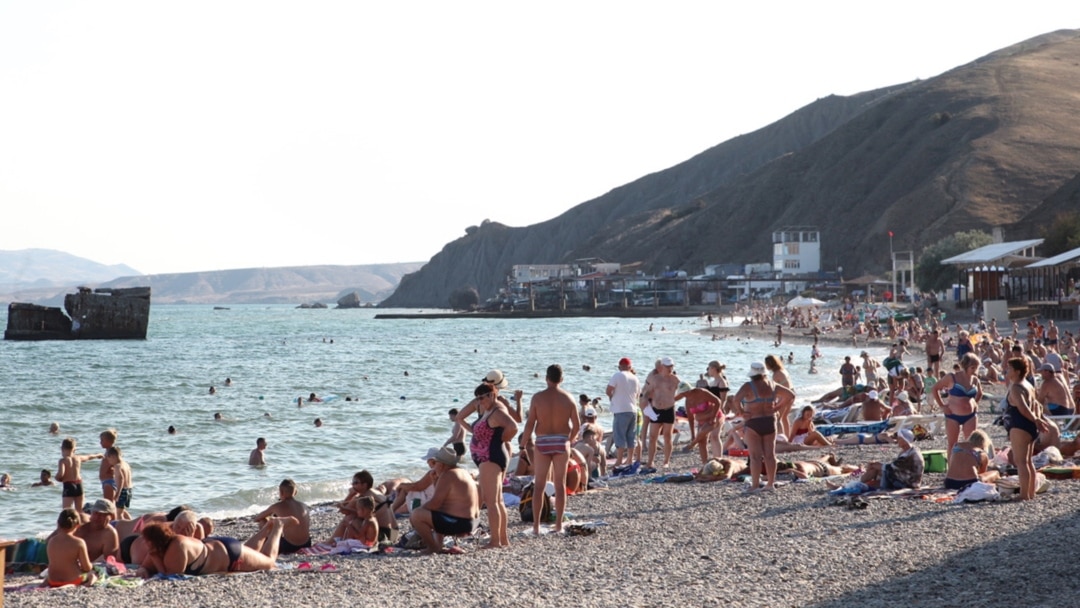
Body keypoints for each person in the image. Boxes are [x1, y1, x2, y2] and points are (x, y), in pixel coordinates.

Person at [457, 383, 517, 548]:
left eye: (482, 398)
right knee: (498, 500)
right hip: (488, 457)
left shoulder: (498, 411)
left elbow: (513, 427)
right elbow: (461, 418)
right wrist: (475, 432)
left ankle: (495, 541)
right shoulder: (489, 410)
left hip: (491, 457)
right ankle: (503, 539)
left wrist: (502, 439)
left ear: (492, 394)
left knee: (492, 502)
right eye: (477, 398)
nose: (479, 402)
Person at [522, 364, 579, 534]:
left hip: (542, 441)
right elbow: (576, 425)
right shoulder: (568, 398)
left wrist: (523, 443)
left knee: (539, 485)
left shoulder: (537, 398)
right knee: (560, 484)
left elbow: (530, 423)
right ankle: (559, 525)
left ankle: (536, 527)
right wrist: (570, 440)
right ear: (561, 379)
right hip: (561, 441)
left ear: (546, 378)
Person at [137, 517, 289, 576]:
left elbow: (171, 576)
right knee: (253, 553)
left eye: (147, 540)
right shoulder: (159, 548)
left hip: (229, 555)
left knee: (269, 562)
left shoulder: (177, 546)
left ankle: (278, 527)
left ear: (155, 541)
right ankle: (266, 529)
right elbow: (145, 568)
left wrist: (155, 557)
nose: (144, 544)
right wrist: (143, 570)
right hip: (214, 548)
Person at [730, 361, 795, 492]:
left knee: (755, 457)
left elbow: (736, 399)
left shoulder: (748, 386)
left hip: (754, 421)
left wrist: (742, 413)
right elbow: (790, 395)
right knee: (770, 455)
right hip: (770, 421)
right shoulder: (772, 385)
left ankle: (754, 485)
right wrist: (777, 407)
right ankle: (770, 484)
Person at [409, 446, 480, 555]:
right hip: (472, 522)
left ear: (441, 465)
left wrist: (415, 515)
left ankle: (432, 548)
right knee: (438, 512)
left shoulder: (448, 475)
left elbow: (434, 504)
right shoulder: (462, 472)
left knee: (417, 515)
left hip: (460, 523)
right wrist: (434, 481)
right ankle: (438, 545)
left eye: (435, 463)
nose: (434, 467)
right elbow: (443, 500)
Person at [1002, 358, 1048, 500]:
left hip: (1020, 424)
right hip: (1029, 426)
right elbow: (1036, 406)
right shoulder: (1028, 385)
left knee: (1020, 461)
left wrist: (1036, 419)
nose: (1006, 370)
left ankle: (1024, 495)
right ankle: (1030, 493)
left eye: (1009, 368)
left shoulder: (1016, 387)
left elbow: (1023, 408)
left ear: (1017, 371)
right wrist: (1037, 419)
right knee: (1028, 461)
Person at [930, 353, 983, 452]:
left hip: (970, 416)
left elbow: (980, 393)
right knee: (952, 444)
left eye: (977, 367)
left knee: (971, 443)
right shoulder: (952, 377)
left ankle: (968, 465)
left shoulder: (975, 380)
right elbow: (935, 389)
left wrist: (975, 403)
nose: (975, 370)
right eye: (973, 367)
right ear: (965, 366)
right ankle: (951, 467)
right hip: (952, 415)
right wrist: (942, 406)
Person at [331, 470, 397, 543]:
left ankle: (331, 541)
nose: (353, 485)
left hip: (384, 536)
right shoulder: (375, 492)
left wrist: (351, 494)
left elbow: (344, 511)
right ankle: (342, 541)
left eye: (355, 483)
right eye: (352, 482)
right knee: (358, 515)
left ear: (364, 485)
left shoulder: (364, 497)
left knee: (350, 518)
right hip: (394, 534)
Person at [251, 479, 311, 554]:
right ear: (295, 492)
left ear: (281, 492)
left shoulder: (277, 506)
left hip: (289, 546)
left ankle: (267, 545)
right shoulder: (304, 505)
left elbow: (257, 518)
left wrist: (270, 519)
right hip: (307, 544)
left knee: (262, 522)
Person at [644, 356, 681, 469]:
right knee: (653, 436)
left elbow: (684, 392)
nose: (669, 368)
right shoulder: (655, 379)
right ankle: (650, 462)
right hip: (656, 410)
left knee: (667, 436)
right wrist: (646, 402)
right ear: (662, 367)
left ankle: (666, 461)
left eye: (671, 366)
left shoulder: (675, 379)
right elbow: (647, 392)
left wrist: (673, 400)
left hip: (669, 409)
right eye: (667, 366)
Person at [858, 428, 924, 490]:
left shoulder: (909, 455)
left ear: (903, 440)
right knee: (877, 469)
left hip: (907, 483)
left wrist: (874, 465)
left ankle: (858, 483)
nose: (897, 440)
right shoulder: (911, 450)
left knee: (876, 468)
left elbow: (891, 467)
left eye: (899, 439)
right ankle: (860, 483)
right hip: (908, 479)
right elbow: (896, 467)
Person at [46, 508, 97, 587]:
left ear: (58, 524)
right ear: (77, 525)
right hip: (73, 581)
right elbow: (86, 567)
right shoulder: (79, 542)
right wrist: (92, 566)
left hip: (52, 581)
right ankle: (89, 583)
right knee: (93, 574)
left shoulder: (51, 541)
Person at [606, 356, 641, 467]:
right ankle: (630, 459)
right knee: (631, 435)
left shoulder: (617, 375)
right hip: (633, 409)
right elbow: (638, 394)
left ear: (620, 366)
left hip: (620, 409)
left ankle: (619, 460)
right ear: (630, 367)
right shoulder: (635, 378)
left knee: (619, 435)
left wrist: (612, 397)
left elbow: (608, 390)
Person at [57, 437, 103, 518]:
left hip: (69, 485)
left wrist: (57, 478)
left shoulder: (63, 461)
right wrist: (97, 455)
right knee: (79, 511)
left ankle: (68, 529)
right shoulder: (78, 458)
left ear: (62, 449)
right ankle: (81, 528)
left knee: (66, 512)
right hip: (79, 485)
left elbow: (61, 474)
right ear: (74, 449)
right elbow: (89, 457)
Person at [676, 383, 723, 463]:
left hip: (713, 416)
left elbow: (718, 401)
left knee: (705, 432)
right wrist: (693, 435)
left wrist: (713, 417)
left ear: (690, 390)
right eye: (682, 393)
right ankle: (705, 464)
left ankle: (692, 445)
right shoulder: (688, 401)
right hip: (701, 421)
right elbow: (691, 419)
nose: (684, 394)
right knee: (702, 441)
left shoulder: (701, 392)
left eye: (685, 392)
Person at [764, 354, 795, 438]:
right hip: (792, 393)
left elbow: (774, 390)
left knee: (778, 418)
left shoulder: (776, 374)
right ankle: (788, 437)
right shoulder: (783, 370)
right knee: (784, 417)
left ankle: (782, 438)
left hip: (785, 396)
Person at [105, 447, 134, 520]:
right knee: (122, 510)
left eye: (109, 458)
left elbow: (121, 479)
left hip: (122, 491)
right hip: (129, 490)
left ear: (113, 456)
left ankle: (121, 528)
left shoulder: (117, 466)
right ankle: (132, 524)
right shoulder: (126, 464)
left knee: (119, 514)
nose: (109, 461)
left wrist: (118, 493)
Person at [776, 454, 857, 479]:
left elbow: (806, 477)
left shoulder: (801, 469)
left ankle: (859, 469)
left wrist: (793, 471)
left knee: (842, 469)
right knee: (830, 456)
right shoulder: (793, 463)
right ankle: (833, 461)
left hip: (824, 469)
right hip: (815, 461)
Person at [98, 429, 118, 501]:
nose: (100, 442)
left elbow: (116, 464)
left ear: (109, 441)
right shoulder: (107, 452)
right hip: (105, 481)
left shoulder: (111, 453)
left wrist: (111, 469)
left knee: (109, 503)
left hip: (109, 481)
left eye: (102, 440)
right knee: (110, 503)